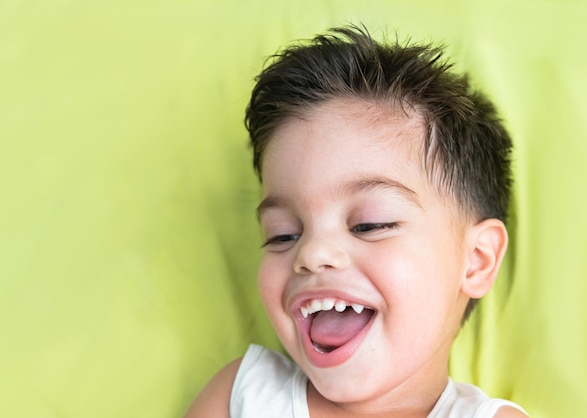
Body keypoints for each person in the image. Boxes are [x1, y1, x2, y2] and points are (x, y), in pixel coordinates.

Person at [185, 24, 529, 418]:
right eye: (283, 235)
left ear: (477, 260)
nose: (311, 254)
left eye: (369, 224)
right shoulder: (244, 394)